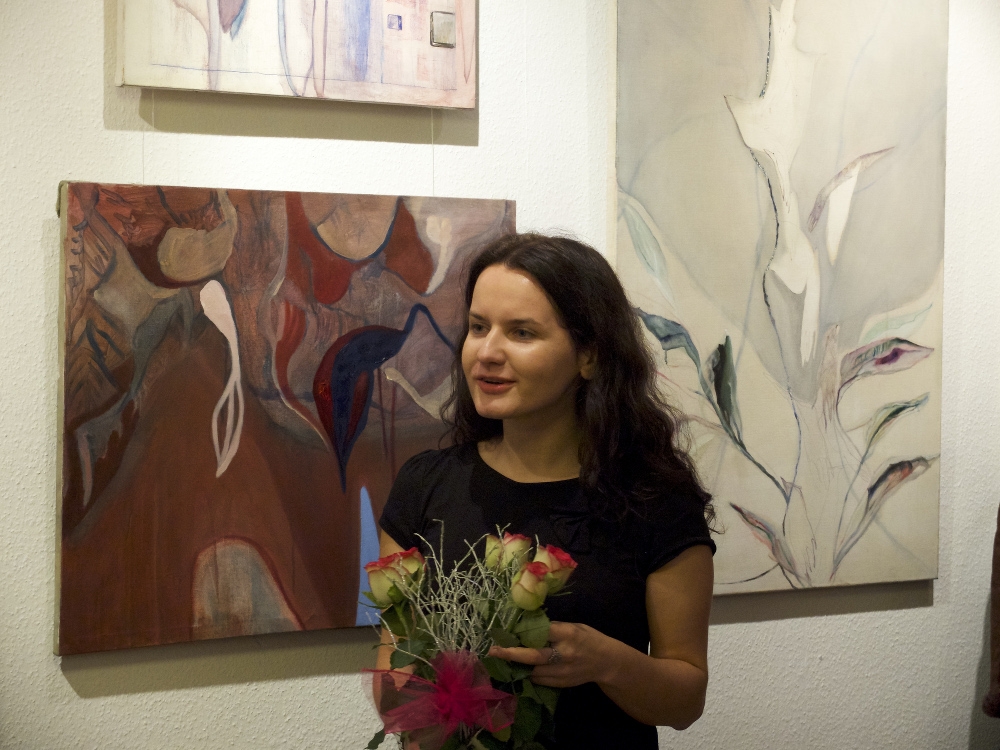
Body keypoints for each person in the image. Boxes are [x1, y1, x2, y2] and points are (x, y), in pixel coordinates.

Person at [376, 233, 716, 748]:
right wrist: (425, 707)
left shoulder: (655, 500)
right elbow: (394, 674)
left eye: (522, 332)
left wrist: (605, 661)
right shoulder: (424, 485)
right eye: (478, 327)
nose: (487, 352)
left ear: (589, 356)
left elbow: (686, 701)